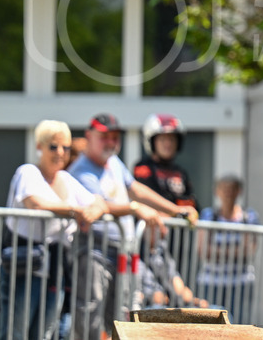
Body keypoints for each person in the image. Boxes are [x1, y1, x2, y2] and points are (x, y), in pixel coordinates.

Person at [67, 113, 198, 340]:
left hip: (121, 252)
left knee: (122, 318)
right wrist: (135, 209)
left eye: (115, 137)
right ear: (89, 136)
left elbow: (135, 189)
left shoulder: (114, 162)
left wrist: (174, 209)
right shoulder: (81, 170)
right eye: (105, 136)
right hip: (94, 251)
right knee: (89, 315)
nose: (111, 142)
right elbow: (99, 205)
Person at [0, 120, 108, 340]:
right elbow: (35, 203)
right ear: (39, 147)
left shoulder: (66, 179)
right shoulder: (28, 172)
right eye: (53, 146)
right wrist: (75, 211)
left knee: (46, 331)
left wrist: (91, 211)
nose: (60, 152)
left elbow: (99, 202)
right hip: (24, 263)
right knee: (16, 331)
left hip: (55, 265)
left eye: (65, 147)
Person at [196, 175, 259, 323]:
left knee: (240, 326)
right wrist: (235, 251)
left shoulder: (249, 216)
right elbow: (203, 251)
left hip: (241, 283)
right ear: (216, 191)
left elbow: (249, 251)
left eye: (231, 189)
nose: (227, 193)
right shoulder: (208, 215)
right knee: (211, 326)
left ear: (239, 192)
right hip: (211, 282)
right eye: (224, 189)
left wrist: (217, 251)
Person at [132, 114, 198, 211]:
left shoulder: (181, 172)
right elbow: (146, 199)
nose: (168, 144)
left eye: (171, 139)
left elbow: (190, 202)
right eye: (162, 140)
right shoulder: (143, 168)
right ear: (152, 142)